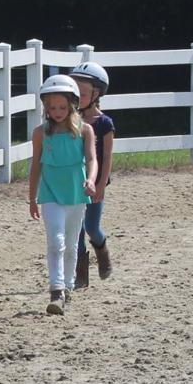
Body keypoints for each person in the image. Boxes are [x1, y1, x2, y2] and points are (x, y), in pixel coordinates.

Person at [27, 75, 97, 314]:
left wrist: (91, 179)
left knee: (70, 243)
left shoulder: (84, 131)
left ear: (73, 106)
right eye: (52, 107)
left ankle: (68, 287)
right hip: (50, 192)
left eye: (62, 107)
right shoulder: (40, 133)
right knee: (55, 241)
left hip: (77, 192)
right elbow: (35, 165)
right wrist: (32, 197)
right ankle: (56, 290)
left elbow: (91, 159)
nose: (57, 112)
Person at [70, 61, 115, 287]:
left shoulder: (105, 123)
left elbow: (106, 157)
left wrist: (102, 184)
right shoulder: (71, 121)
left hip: (95, 183)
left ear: (96, 94)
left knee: (92, 227)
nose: (77, 96)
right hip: (75, 183)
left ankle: (102, 250)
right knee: (77, 228)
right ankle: (80, 276)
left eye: (82, 92)